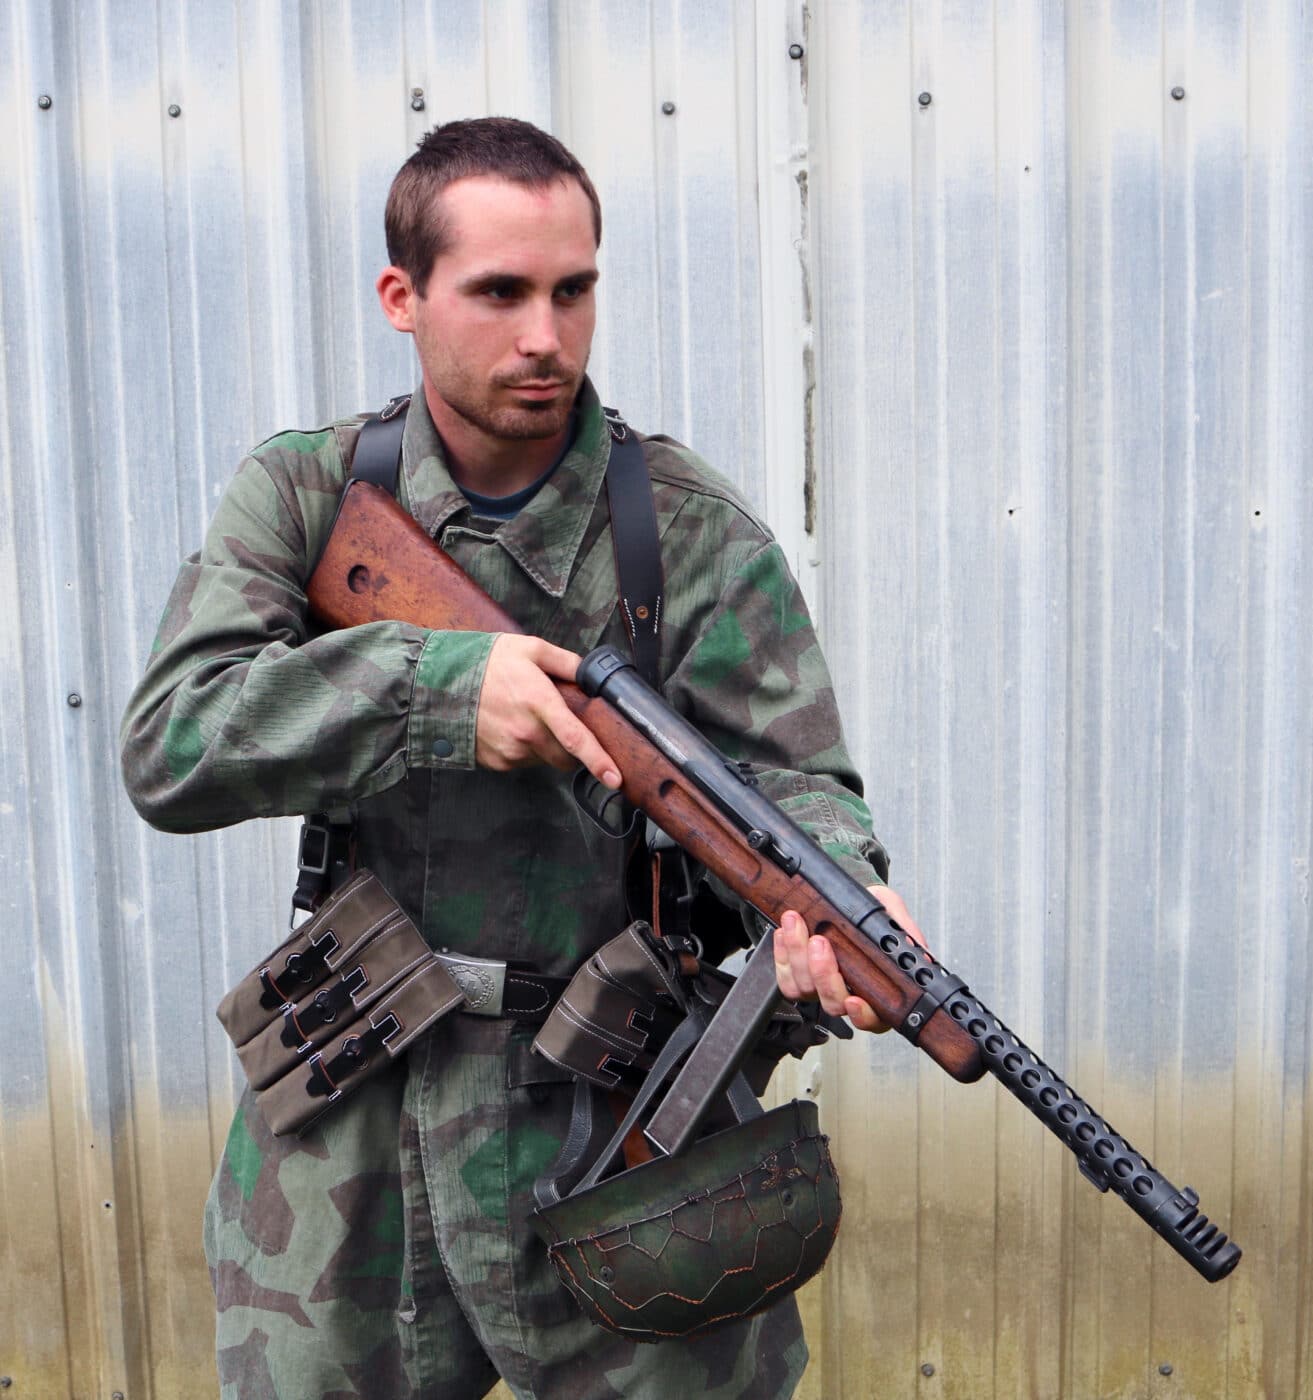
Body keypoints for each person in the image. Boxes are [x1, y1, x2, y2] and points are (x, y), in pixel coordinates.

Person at [120, 116, 923, 1400]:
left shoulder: (689, 533)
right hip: (349, 1105)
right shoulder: (305, 496)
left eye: (571, 289)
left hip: (620, 1107)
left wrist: (839, 887)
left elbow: (795, 777)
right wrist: (430, 686)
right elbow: (171, 743)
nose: (543, 336)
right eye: (498, 292)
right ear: (404, 296)